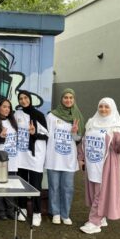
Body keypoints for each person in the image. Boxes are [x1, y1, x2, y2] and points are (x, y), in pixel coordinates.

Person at [78, 98, 120, 234]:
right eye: (101, 106)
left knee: (100, 193)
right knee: (93, 192)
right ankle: (101, 217)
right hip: (91, 165)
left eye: (106, 107)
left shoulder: (116, 126)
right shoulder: (91, 123)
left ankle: (94, 222)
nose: (103, 109)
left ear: (112, 109)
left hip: (106, 167)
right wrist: (81, 157)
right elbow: (84, 142)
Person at [45, 88, 85, 225]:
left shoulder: (77, 116)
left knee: (68, 188)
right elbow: (45, 136)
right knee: (54, 187)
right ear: (61, 99)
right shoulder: (51, 116)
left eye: (71, 98)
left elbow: (79, 139)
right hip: (53, 158)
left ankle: (65, 214)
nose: (68, 100)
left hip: (69, 159)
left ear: (74, 100)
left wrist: (74, 132)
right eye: (65, 97)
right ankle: (55, 213)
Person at [14, 90, 48, 226]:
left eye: (25, 98)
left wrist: (34, 134)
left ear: (30, 99)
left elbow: (46, 136)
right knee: (21, 183)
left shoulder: (38, 115)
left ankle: (36, 212)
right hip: (21, 156)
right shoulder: (17, 114)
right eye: (21, 98)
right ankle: (21, 209)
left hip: (35, 156)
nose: (23, 101)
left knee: (35, 185)